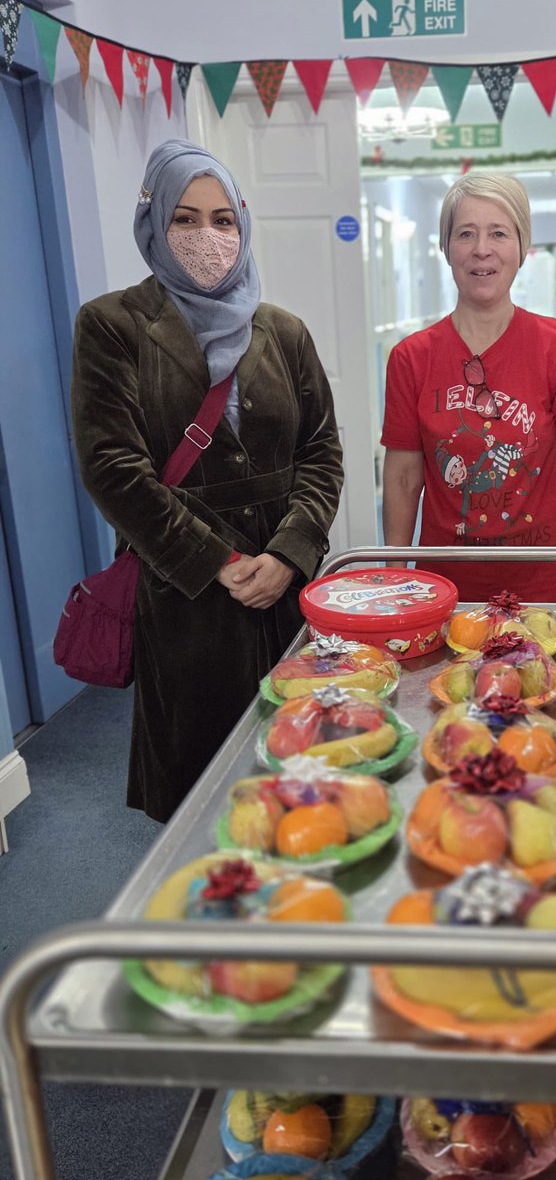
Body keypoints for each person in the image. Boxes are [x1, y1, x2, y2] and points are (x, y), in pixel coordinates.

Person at [71, 140, 343, 822]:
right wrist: (217, 562)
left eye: (224, 220)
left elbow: (321, 452)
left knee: (307, 771)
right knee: (207, 799)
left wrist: (289, 554)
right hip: (187, 595)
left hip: (288, 593)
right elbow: (112, 468)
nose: (208, 238)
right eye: (185, 219)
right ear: (154, 224)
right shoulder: (113, 327)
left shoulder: (284, 332)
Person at [381, 172, 556, 604]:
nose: (482, 249)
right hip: (444, 585)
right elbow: (404, 475)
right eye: (466, 234)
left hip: (545, 581)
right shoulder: (411, 358)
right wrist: (394, 571)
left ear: (522, 247)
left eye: (499, 233)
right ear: (446, 248)